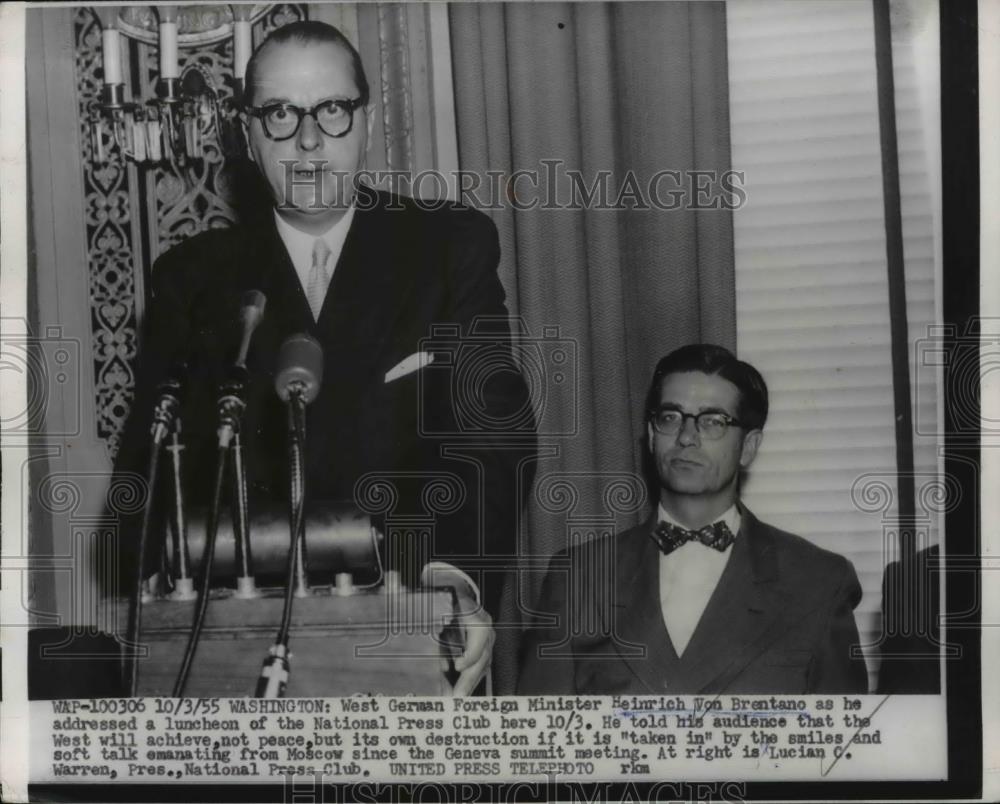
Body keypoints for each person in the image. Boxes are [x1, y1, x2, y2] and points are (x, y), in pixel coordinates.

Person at [114, 21, 534, 695]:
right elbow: (147, 478)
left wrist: (456, 581)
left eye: (332, 109)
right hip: (235, 644)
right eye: (281, 113)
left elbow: (493, 440)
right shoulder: (191, 280)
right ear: (247, 133)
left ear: (367, 120)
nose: (309, 140)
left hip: (413, 627)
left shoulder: (448, 246)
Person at [517, 344, 868, 694]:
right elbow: (538, 727)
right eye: (670, 417)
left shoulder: (818, 583)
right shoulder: (578, 579)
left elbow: (845, 728)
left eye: (713, 422)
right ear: (652, 436)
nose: (686, 437)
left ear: (748, 446)